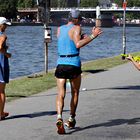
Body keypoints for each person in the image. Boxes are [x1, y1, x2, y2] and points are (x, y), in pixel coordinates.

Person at [55, 9, 102, 134]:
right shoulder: (77, 28)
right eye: (80, 19)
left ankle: (59, 117)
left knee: (60, 93)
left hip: (60, 63)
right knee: (75, 93)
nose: (81, 21)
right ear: (76, 19)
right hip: (73, 63)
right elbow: (77, 44)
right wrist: (93, 36)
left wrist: (81, 37)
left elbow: (66, 40)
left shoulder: (59, 29)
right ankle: (71, 119)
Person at [0, 17, 12, 121]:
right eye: (5, 25)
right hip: (2, 64)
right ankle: (1, 113)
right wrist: (6, 54)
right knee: (2, 91)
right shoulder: (3, 36)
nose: (6, 27)